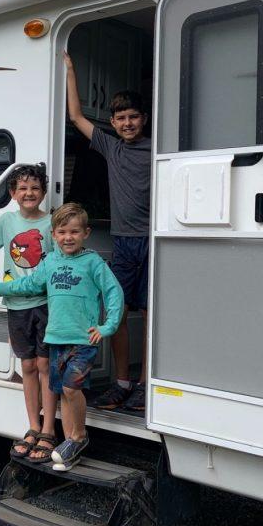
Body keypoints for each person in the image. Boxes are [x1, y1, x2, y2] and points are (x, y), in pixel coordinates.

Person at [0, 203, 123, 471]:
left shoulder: (93, 262)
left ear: (86, 233)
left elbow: (113, 292)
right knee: (63, 393)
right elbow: (29, 284)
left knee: (71, 388)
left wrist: (107, 327)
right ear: (53, 235)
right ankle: (69, 448)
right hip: (55, 339)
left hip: (82, 340)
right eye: (63, 232)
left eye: (75, 232)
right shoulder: (50, 262)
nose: (68, 237)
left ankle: (79, 437)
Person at [64, 51, 151, 411]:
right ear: (112, 123)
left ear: (143, 119)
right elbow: (75, 116)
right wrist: (71, 70)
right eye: (121, 118)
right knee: (115, 314)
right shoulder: (111, 147)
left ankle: (147, 384)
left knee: (151, 316)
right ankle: (121, 382)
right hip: (124, 242)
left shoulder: (158, 149)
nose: (127, 123)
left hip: (155, 241)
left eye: (133, 117)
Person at [0, 163, 58, 462]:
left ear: (44, 192)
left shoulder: (51, 224)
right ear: (12, 193)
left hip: (45, 304)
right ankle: (33, 426)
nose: (29, 193)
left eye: (35, 188)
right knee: (29, 367)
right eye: (22, 188)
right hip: (17, 307)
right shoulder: (7, 221)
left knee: (46, 367)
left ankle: (48, 430)